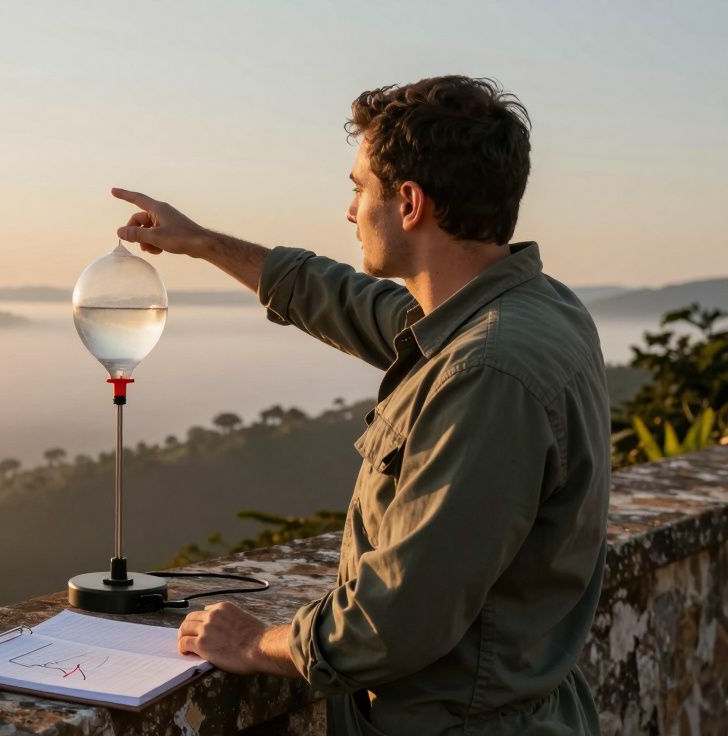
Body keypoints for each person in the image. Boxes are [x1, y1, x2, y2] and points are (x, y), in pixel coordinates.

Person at [112, 76, 608, 735]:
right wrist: (202, 242)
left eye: (358, 187)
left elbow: (394, 620)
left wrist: (258, 642)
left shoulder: (488, 372)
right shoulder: (531, 310)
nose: (349, 211)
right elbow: (344, 298)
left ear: (408, 202)